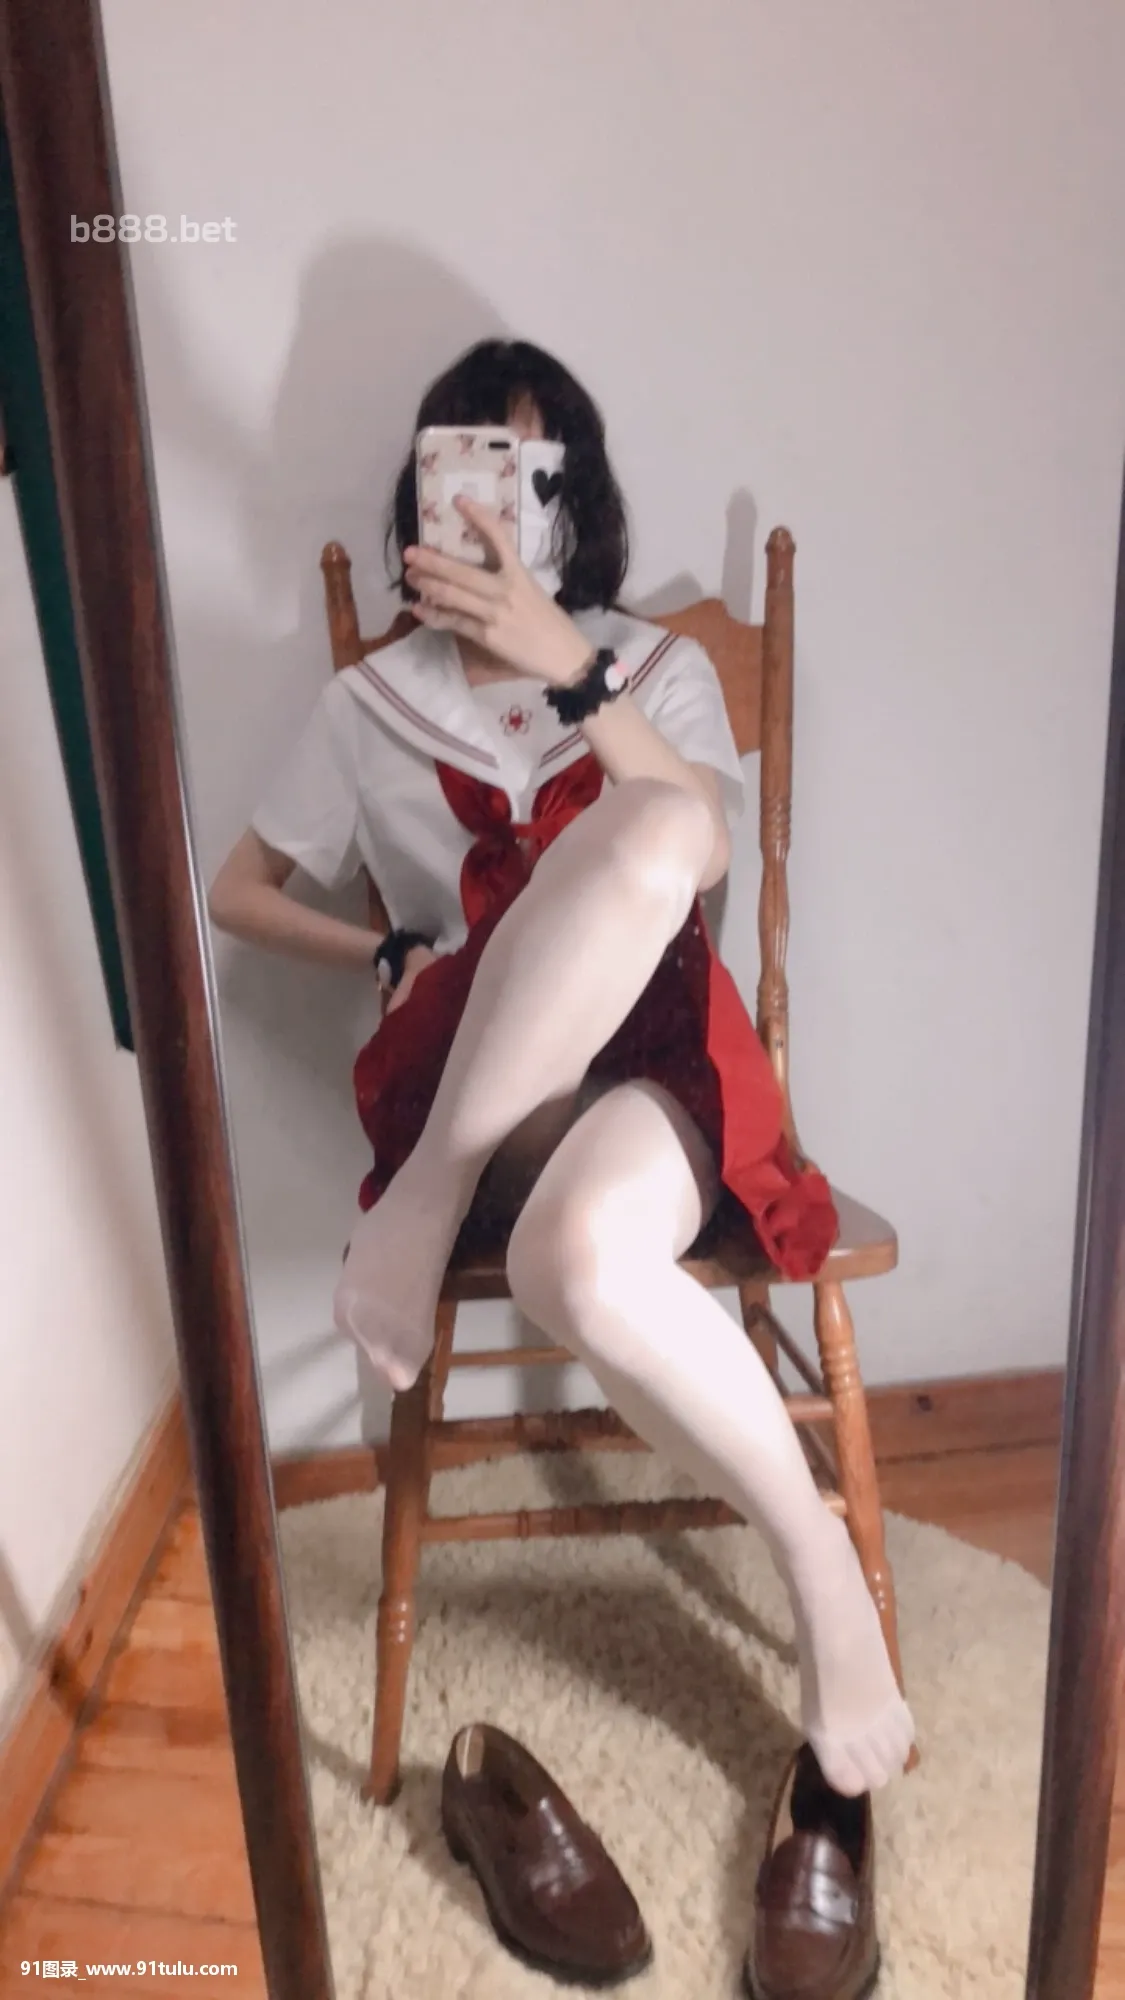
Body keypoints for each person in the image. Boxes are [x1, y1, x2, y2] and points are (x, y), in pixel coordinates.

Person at [209, 338, 914, 1798]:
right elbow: (236, 890)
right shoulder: (369, 703)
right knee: (627, 866)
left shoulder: (651, 667)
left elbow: (702, 856)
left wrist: (574, 672)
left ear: (570, 495)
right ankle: (444, 1178)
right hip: (478, 1074)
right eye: (460, 460)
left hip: (649, 1071)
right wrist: (383, 947)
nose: (491, 497)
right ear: (420, 486)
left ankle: (820, 1573)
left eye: (526, 469)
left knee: (581, 1247)